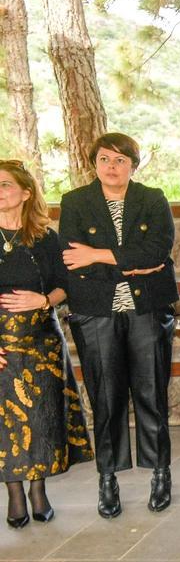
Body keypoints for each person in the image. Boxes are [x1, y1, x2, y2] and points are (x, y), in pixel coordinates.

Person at [59, 133, 178, 518]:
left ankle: (160, 472)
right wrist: (131, 264)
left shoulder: (152, 198)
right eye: (105, 159)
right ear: (94, 163)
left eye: (121, 160)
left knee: (151, 393)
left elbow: (158, 251)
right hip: (96, 312)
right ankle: (107, 478)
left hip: (146, 310)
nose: (112, 167)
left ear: (134, 165)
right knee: (106, 399)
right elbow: (72, 260)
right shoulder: (76, 202)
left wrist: (99, 255)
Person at [0, 159, 93, 528]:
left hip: (41, 343)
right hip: (2, 346)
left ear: (25, 193)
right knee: (5, 423)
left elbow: (65, 286)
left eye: (5, 184)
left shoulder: (45, 238)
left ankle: (38, 489)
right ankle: (14, 494)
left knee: (41, 417)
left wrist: (42, 301)